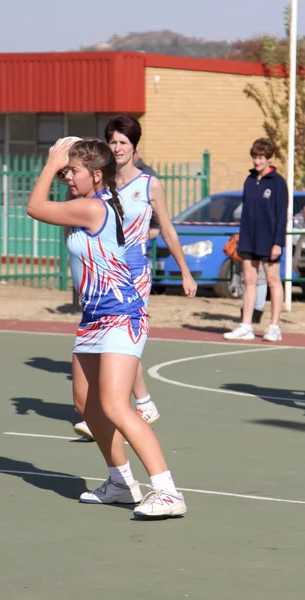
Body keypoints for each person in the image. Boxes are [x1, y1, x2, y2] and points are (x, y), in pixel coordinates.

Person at [27, 138, 187, 518]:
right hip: (94, 317)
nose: (67, 175)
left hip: (120, 315)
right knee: (86, 404)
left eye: (73, 170)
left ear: (96, 175)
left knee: (115, 404)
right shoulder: (91, 205)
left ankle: (167, 491)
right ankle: (120, 483)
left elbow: (34, 207)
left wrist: (49, 164)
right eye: (64, 170)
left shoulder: (92, 208)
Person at [73, 115, 197, 441]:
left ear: (135, 147)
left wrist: (185, 272)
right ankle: (138, 404)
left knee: (121, 340)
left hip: (135, 273)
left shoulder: (149, 184)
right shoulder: (102, 183)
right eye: (112, 142)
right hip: (103, 273)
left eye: (123, 143)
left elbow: (167, 229)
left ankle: (125, 407)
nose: (117, 148)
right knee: (107, 341)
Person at [224, 138, 288, 342]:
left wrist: (277, 243)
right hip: (249, 239)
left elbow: (281, 215)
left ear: (269, 159)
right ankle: (246, 326)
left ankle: (274, 327)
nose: (257, 161)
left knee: (273, 281)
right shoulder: (249, 181)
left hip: (269, 241)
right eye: (254, 157)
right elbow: (246, 213)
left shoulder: (278, 182)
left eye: (261, 158)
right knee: (249, 281)